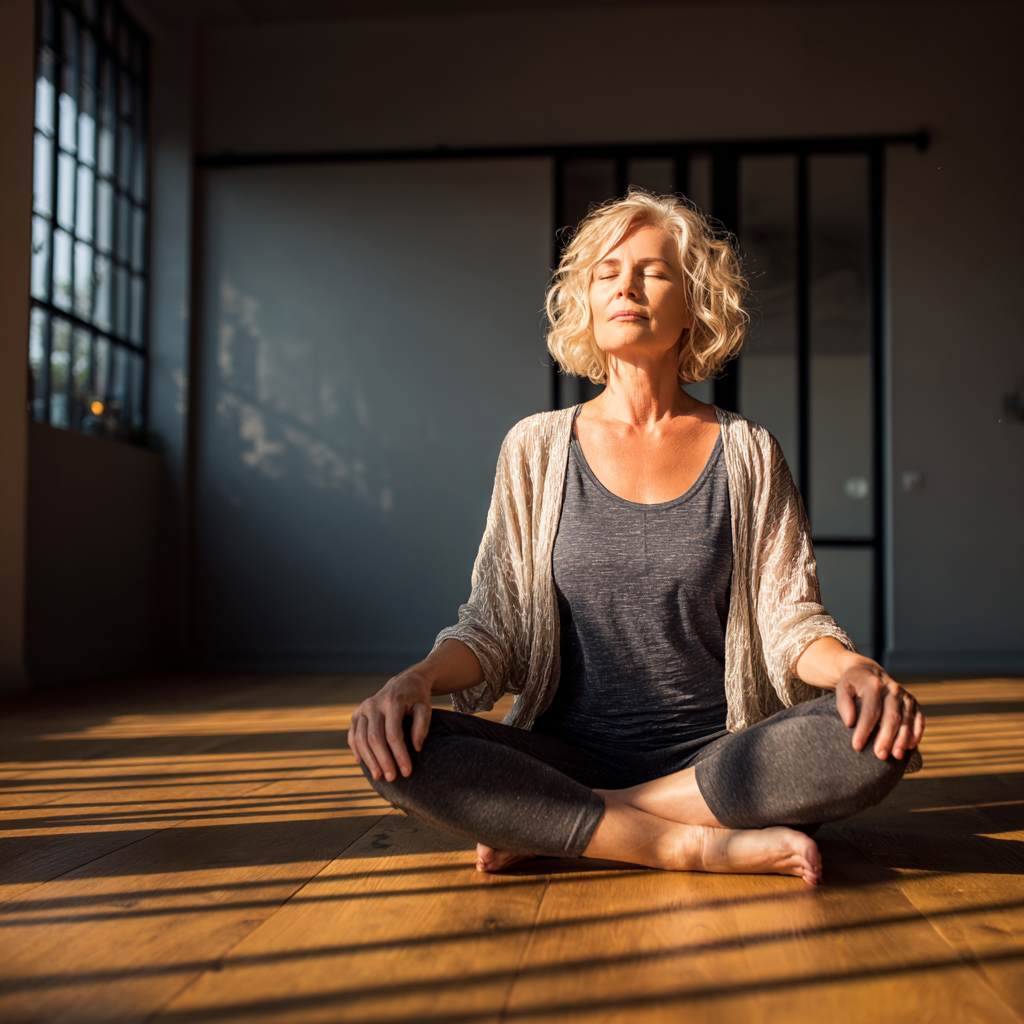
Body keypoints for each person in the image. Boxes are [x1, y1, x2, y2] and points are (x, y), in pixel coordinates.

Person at [347, 190, 924, 886]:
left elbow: (788, 622)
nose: (626, 284)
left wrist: (856, 672)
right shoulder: (534, 448)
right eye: (606, 271)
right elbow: (495, 626)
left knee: (872, 740)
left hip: (721, 760)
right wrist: (415, 682)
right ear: (586, 301)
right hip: (565, 754)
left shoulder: (747, 451)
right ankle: (689, 845)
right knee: (401, 745)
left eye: (654, 271)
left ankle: (573, 824)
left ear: (694, 304)